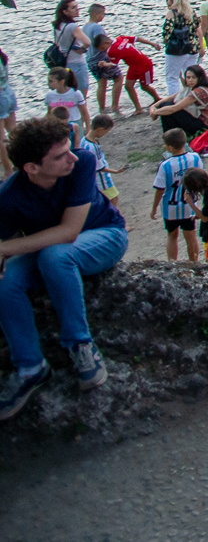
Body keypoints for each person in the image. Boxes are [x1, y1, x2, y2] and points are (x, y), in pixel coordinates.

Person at [0, 115, 126, 420]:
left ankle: (81, 346)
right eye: (59, 156)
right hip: (50, 250)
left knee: (55, 256)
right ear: (31, 168)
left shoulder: (80, 163)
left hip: (104, 236)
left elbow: (69, 231)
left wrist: (3, 249)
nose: (72, 156)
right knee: (7, 281)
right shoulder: (10, 196)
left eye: (68, 149)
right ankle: (30, 366)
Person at [151, 127, 207, 261]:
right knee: (190, 235)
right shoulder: (194, 158)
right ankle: (194, 263)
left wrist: (154, 208)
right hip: (189, 205)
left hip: (170, 207)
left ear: (170, 147)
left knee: (171, 235)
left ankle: (172, 264)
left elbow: (160, 189)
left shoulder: (165, 165)